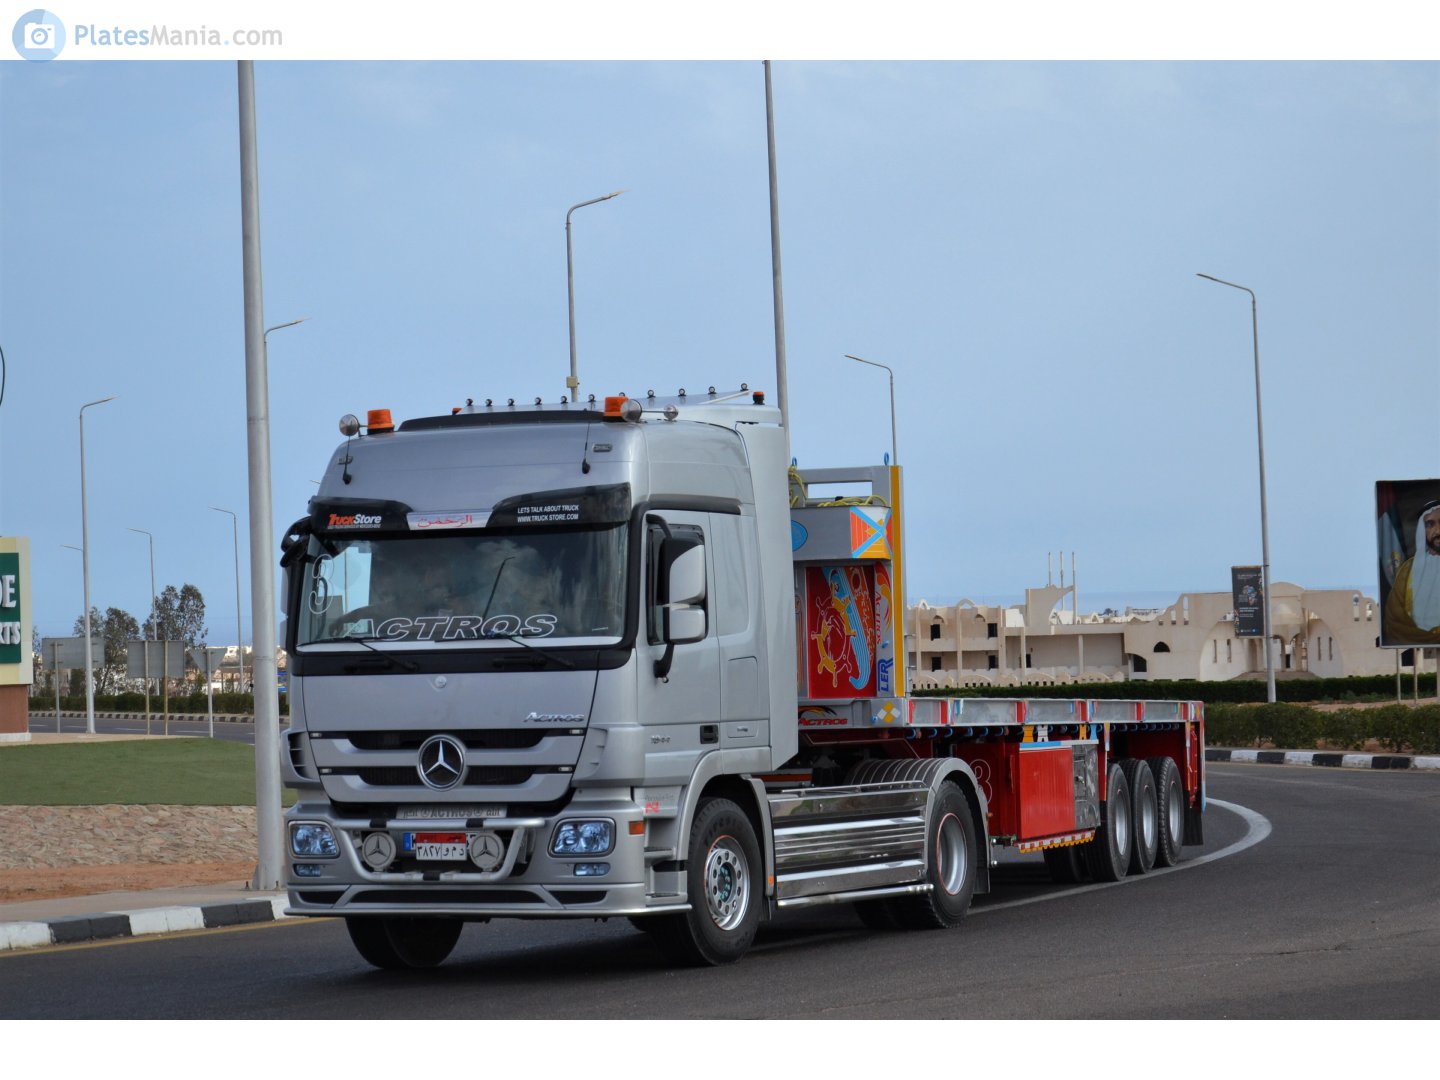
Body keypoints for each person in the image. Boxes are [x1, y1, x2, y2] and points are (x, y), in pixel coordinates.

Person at [1383, 500, 1440, 645]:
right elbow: (1394, 617)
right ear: (1422, 530)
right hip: (1413, 641)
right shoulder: (1407, 570)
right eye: (1430, 524)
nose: (1438, 531)